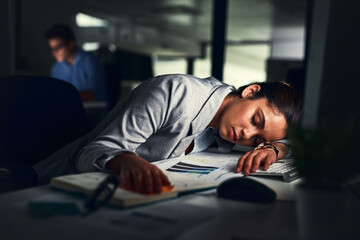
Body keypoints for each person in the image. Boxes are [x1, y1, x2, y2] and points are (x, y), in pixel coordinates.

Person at [34, 74, 302, 194]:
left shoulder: (223, 125)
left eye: (256, 138)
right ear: (251, 91)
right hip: (57, 186)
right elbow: (91, 153)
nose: (246, 134)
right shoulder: (174, 92)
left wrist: (272, 148)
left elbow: (285, 141)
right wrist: (127, 160)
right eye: (255, 119)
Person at [45, 24, 107, 102]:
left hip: (92, 110)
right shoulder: (56, 69)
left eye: (58, 48)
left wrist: (64, 96)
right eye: (52, 49)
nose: (54, 53)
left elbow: (94, 94)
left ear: (71, 44)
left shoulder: (90, 62)